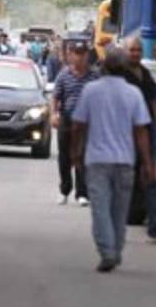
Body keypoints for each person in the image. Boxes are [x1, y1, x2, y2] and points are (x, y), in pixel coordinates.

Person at [71, 47, 153, 273]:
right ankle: (115, 250)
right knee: (119, 211)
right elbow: (141, 131)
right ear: (125, 68)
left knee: (100, 209)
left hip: (97, 160)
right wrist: (147, 163)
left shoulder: (91, 90)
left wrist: (75, 152)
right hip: (125, 161)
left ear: (104, 66)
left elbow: (78, 125)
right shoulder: (134, 94)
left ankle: (108, 252)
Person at [121, 36, 156, 244]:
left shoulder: (145, 73)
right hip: (126, 134)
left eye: (138, 50)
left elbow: (153, 104)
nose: (135, 53)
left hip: (147, 132)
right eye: (132, 50)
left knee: (153, 178)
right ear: (124, 51)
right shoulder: (120, 75)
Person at [51, 41, 99, 206]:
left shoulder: (94, 76)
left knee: (83, 156)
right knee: (64, 157)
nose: (80, 57)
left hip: (86, 122)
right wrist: (53, 115)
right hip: (67, 119)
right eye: (76, 54)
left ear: (87, 55)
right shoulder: (64, 75)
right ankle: (64, 190)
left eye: (83, 54)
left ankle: (82, 193)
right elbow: (55, 96)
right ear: (71, 55)